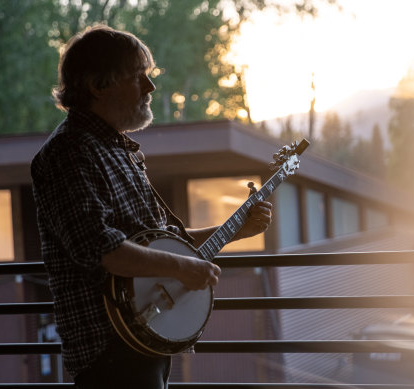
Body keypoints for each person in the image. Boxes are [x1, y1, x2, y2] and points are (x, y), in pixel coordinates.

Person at [31, 25, 272, 388]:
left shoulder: (119, 150)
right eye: (137, 76)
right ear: (98, 85)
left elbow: (163, 242)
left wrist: (236, 229)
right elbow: (100, 248)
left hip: (144, 337)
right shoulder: (70, 152)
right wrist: (181, 269)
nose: (150, 88)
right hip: (109, 353)